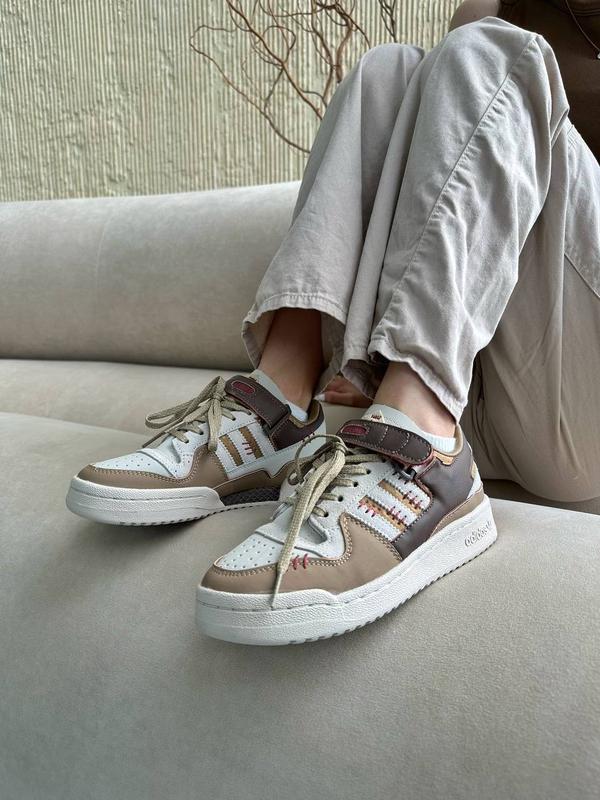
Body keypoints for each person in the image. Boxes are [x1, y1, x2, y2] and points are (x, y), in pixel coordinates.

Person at [66, 0, 600, 645]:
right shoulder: (502, 6)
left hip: (578, 404)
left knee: (492, 52)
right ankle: (282, 400)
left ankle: (420, 432)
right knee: (389, 70)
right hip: (489, 390)